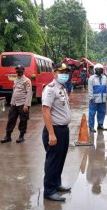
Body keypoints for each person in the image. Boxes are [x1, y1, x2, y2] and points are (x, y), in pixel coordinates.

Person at [42, 63, 72, 202]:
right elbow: (45, 111)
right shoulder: (50, 89)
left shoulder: (62, 88)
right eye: (61, 72)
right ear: (54, 73)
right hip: (54, 130)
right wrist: (51, 133)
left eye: (66, 72)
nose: (64, 74)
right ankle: (49, 191)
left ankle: (56, 184)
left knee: (60, 159)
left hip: (63, 130)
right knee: (52, 161)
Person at [0, 65, 32, 143]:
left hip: (22, 103)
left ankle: (21, 136)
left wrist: (26, 105)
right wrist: (11, 102)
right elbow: (14, 91)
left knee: (23, 120)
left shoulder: (27, 81)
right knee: (11, 119)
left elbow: (29, 93)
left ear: (23, 71)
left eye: (19, 71)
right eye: (17, 71)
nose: (18, 72)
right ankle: (8, 136)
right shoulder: (16, 79)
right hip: (14, 103)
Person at [88, 63, 107, 133]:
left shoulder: (105, 78)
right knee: (92, 113)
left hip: (102, 99)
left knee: (102, 112)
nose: (99, 70)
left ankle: (100, 125)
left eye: (101, 69)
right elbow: (90, 89)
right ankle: (91, 127)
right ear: (95, 70)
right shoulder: (91, 78)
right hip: (94, 100)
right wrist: (91, 98)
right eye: (98, 69)